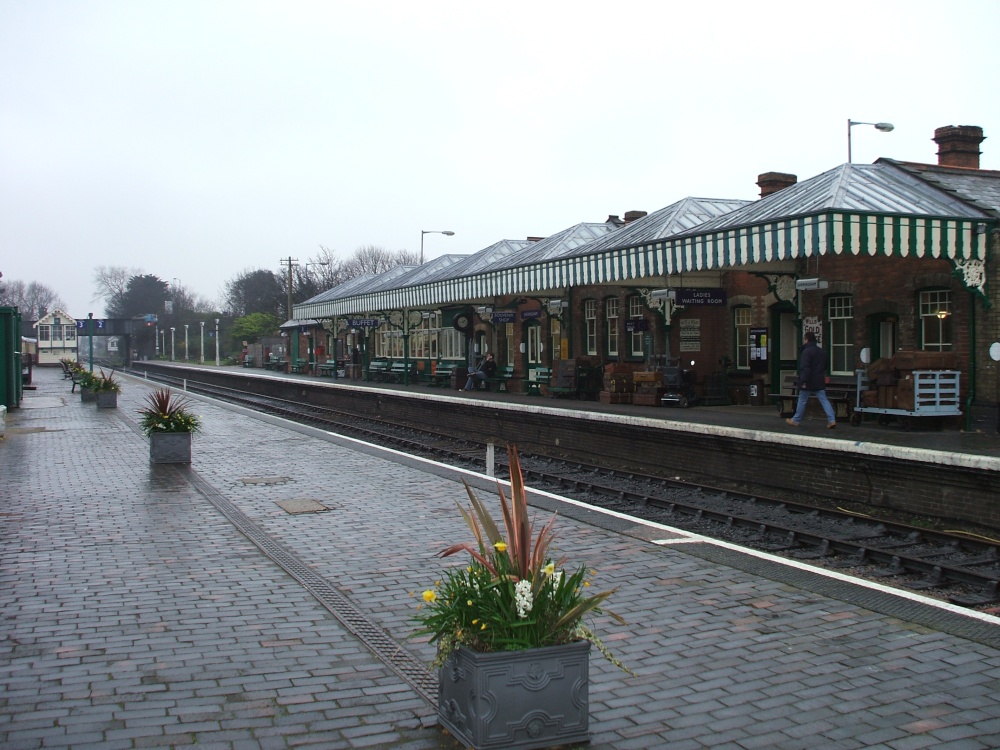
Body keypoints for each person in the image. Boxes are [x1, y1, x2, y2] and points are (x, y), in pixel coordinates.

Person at [786, 331, 837, 429]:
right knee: (824, 400)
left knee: (802, 400)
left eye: (804, 339)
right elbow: (825, 365)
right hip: (819, 380)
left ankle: (795, 420)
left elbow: (805, 368)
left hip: (808, 380)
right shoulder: (822, 351)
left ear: (806, 339)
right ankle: (832, 420)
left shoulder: (806, 352)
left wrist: (802, 381)